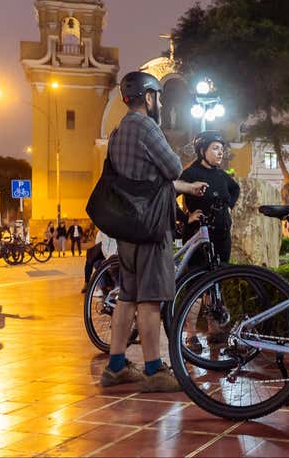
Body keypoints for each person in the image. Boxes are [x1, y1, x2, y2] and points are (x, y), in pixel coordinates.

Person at [100, 71, 207, 392]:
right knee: (150, 300)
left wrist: (186, 186)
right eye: (157, 97)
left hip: (127, 226)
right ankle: (153, 370)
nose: (159, 103)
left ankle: (116, 366)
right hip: (150, 226)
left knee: (128, 297)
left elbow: (147, 179)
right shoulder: (147, 126)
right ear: (148, 97)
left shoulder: (119, 131)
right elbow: (172, 167)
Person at [179, 131, 240, 266]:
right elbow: (169, 196)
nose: (220, 153)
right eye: (215, 148)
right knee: (199, 282)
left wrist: (229, 206)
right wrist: (185, 218)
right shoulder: (190, 173)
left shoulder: (221, 174)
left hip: (222, 237)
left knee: (221, 277)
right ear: (202, 151)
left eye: (221, 149)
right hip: (199, 237)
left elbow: (235, 188)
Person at [82, 229, 117, 294]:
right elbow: (102, 245)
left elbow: (111, 245)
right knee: (95, 263)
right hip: (103, 253)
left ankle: (108, 285)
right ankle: (88, 283)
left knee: (100, 264)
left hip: (110, 254)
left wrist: (108, 259)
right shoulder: (102, 231)